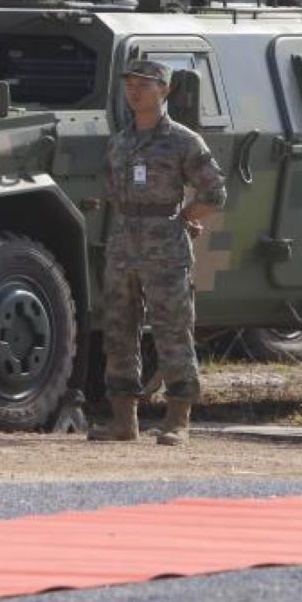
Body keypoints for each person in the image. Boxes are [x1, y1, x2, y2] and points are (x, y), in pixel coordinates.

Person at [90, 59, 227, 446]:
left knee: (172, 330)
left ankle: (178, 419)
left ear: (164, 90)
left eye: (144, 85)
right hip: (122, 246)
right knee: (118, 331)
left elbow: (214, 192)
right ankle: (123, 420)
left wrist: (183, 218)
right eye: (130, 84)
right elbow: (113, 192)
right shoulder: (119, 142)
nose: (134, 92)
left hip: (165, 249)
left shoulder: (184, 141)